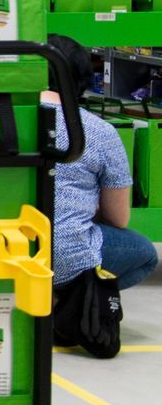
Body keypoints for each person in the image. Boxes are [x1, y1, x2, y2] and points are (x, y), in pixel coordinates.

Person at [47, 35, 158, 291]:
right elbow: (119, 218)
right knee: (145, 254)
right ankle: (74, 307)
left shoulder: (1, 123)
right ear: (82, 79)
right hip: (64, 257)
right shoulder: (99, 131)